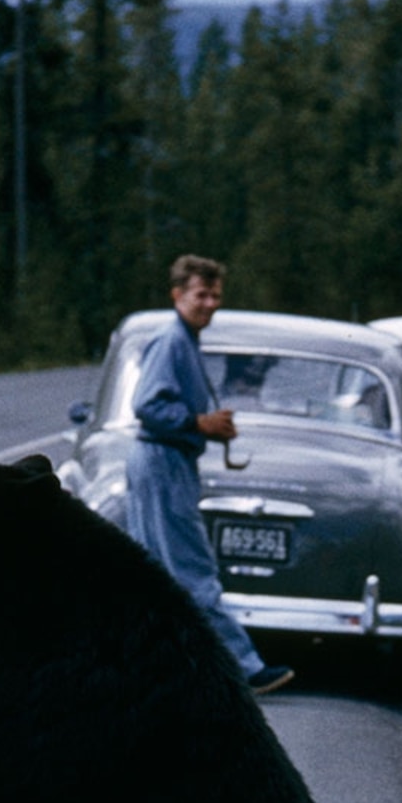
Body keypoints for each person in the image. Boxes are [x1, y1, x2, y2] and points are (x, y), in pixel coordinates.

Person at [122, 253, 291, 696]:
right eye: (201, 294)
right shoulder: (172, 340)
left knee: (154, 569)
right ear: (178, 295)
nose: (210, 304)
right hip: (163, 461)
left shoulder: (185, 339)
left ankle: (146, 663)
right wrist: (200, 424)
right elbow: (148, 405)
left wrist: (206, 425)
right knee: (192, 568)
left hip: (166, 459)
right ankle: (243, 667)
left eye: (216, 295)